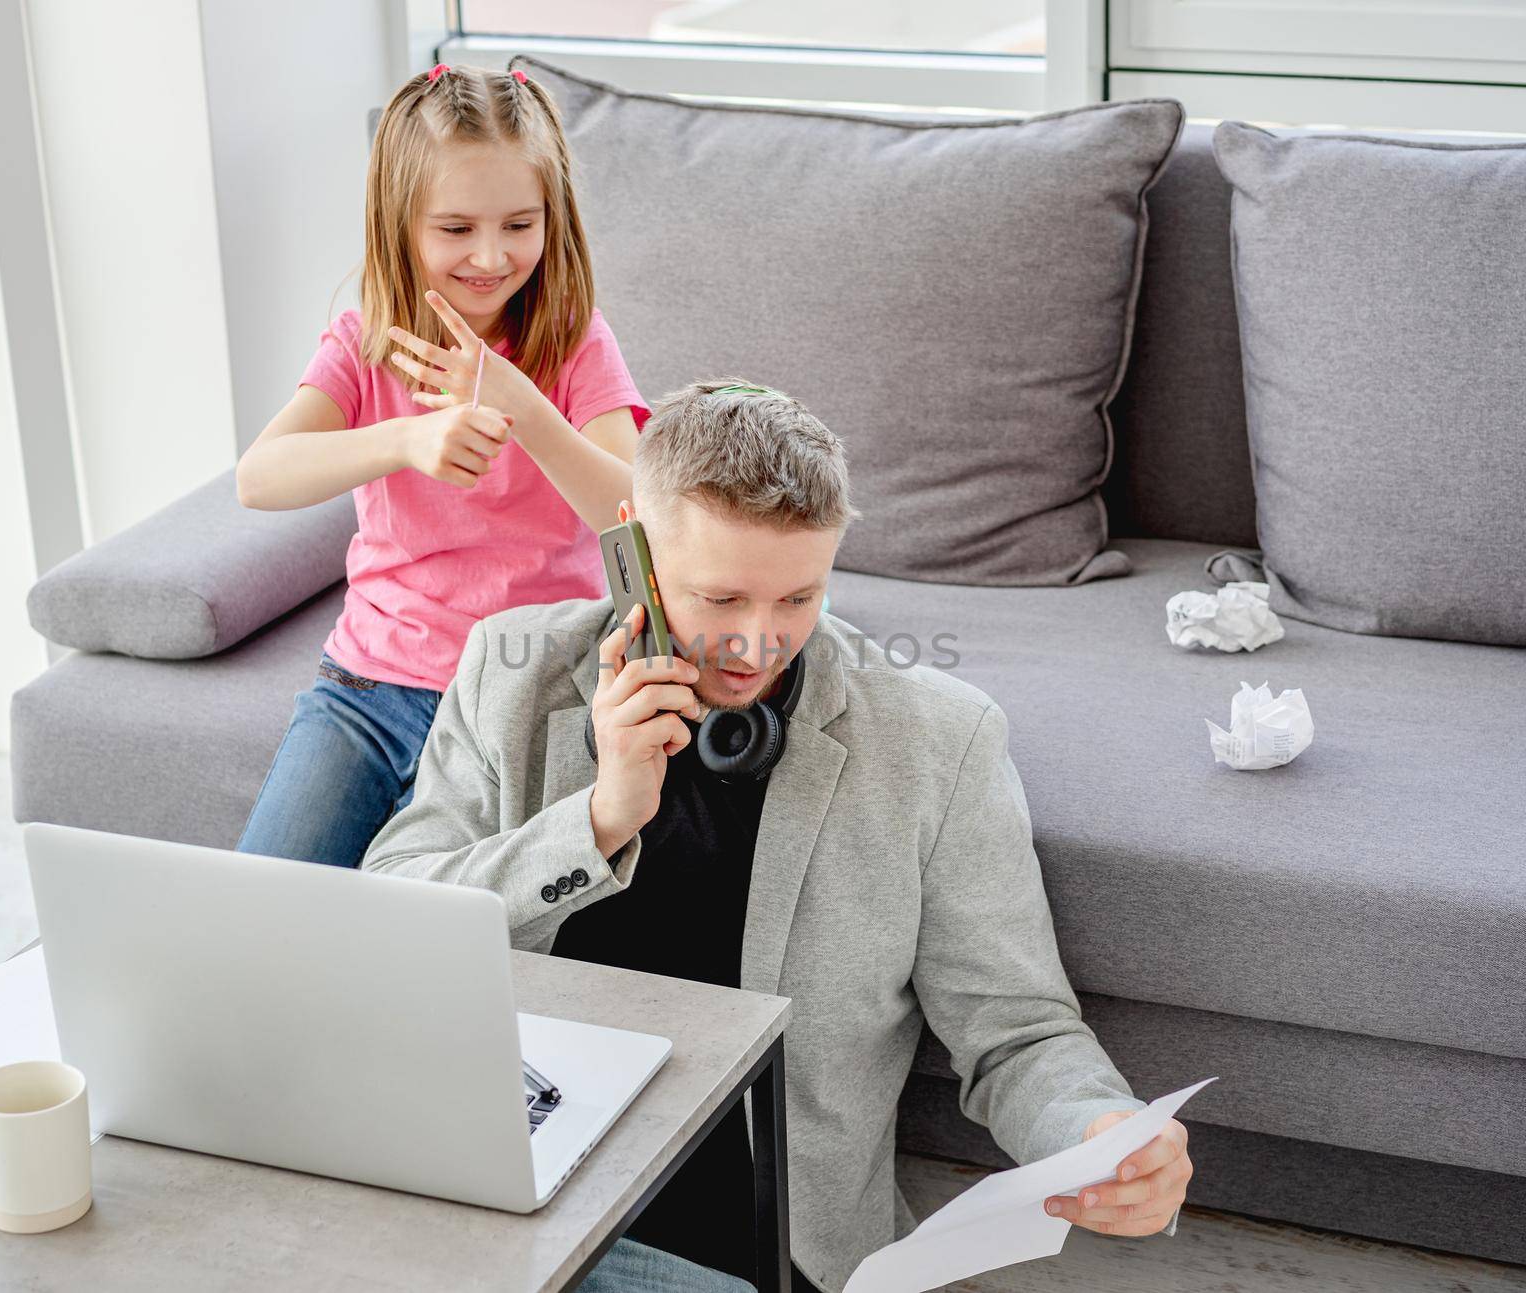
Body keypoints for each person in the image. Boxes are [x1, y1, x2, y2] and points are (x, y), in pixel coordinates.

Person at [362, 381, 1192, 1292]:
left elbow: (1016, 1030)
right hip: (519, 1202)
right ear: (633, 545)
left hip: (754, 1250)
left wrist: (1096, 1131)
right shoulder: (509, 675)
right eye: (720, 598)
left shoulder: (938, 741)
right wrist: (597, 821)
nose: (758, 645)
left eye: (799, 597)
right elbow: (390, 933)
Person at [232, 63, 650, 868]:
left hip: (531, 691)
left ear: (551, 220)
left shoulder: (575, 340)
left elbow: (636, 516)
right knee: (267, 906)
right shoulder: (366, 343)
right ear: (402, 223)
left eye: (519, 225)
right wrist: (402, 441)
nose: (490, 256)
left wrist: (523, 405)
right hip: (369, 690)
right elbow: (261, 475)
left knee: (484, 925)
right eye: (455, 229)